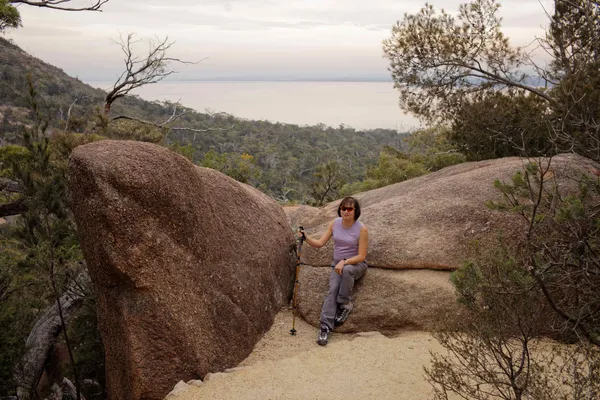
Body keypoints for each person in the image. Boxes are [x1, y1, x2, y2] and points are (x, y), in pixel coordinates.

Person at [299, 196, 368, 346]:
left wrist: (344, 262)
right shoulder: (335, 224)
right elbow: (320, 243)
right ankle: (325, 328)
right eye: (343, 208)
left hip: (355, 265)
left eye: (349, 209)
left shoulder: (361, 229)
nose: (346, 211)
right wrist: (307, 238)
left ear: (355, 211)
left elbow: (362, 256)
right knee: (332, 290)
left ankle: (344, 303)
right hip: (337, 265)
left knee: (348, 270)